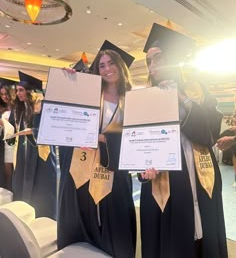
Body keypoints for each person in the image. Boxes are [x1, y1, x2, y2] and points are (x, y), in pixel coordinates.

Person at [139, 23, 227, 258]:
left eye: (157, 59)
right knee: (173, 235)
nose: (152, 65)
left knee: (203, 231)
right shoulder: (145, 97)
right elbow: (138, 141)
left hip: (200, 170)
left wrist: (180, 97)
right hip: (167, 175)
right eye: (149, 61)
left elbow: (209, 133)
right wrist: (142, 169)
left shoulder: (198, 91)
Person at [58, 40, 136, 258]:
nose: (107, 69)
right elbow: (67, 112)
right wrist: (68, 82)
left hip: (114, 167)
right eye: (101, 65)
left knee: (114, 217)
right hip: (83, 164)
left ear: (121, 67)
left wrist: (103, 138)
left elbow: (133, 138)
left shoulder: (131, 100)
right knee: (83, 213)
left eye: (111, 63)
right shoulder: (90, 93)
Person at [8, 71, 57, 219]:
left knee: (41, 187)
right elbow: (13, 129)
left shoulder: (43, 107)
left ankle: (45, 217)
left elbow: (48, 130)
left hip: (42, 155)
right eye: (17, 90)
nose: (18, 94)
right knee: (22, 184)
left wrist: (36, 114)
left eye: (21, 90)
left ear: (31, 91)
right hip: (24, 153)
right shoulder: (20, 109)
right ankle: (23, 216)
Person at [0, 78, 16, 190]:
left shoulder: (17, 109)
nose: (4, 97)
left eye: (6, 94)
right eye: (2, 94)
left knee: (10, 171)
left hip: (13, 145)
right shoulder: (4, 110)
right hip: (5, 144)